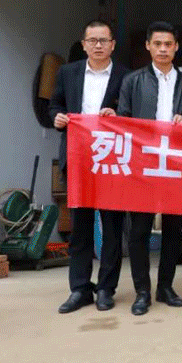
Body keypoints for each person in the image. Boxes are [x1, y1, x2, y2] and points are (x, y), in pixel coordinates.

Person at [117, 21, 182, 316]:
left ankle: (166, 286)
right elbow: (123, 120)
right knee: (139, 230)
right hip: (143, 165)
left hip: (175, 165)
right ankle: (142, 291)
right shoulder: (132, 81)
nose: (163, 49)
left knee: (174, 230)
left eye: (168, 44)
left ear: (176, 48)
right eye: (158, 44)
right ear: (148, 46)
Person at [50, 20, 129, 313]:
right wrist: (58, 118)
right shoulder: (67, 73)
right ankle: (80, 288)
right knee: (80, 228)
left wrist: (118, 114)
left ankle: (106, 289)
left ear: (112, 45)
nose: (98, 45)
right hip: (78, 158)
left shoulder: (125, 76)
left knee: (112, 228)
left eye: (103, 40)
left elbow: (133, 113)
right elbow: (55, 105)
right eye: (92, 40)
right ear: (83, 45)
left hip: (111, 160)